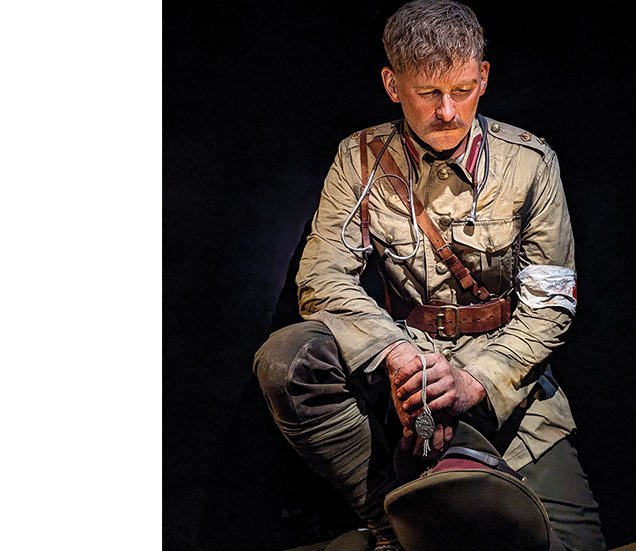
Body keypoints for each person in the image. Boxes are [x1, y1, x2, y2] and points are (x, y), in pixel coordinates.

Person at [254, 1, 604, 549]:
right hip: (399, 380)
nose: (448, 111)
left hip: (506, 382)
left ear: (483, 76)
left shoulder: (531, 163)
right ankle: (385, 523)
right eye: (428, 93)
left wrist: (474, 382)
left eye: (463, 90)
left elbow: (550, 305)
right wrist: (400, 360)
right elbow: (322, 277)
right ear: (393, 85)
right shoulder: (360, 160)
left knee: (575, 545)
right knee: (288, 357)